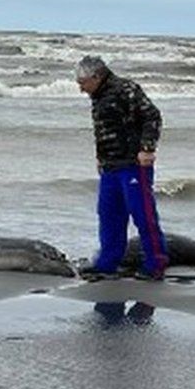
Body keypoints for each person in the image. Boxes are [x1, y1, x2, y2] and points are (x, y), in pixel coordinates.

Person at [76, 56, 169, 281]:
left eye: (83, 82)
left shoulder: (125, 89)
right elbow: (104, 131)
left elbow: (152, 116)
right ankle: (107, 263)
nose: (81, 88)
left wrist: (147, 149)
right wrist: (101, 158)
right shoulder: (97, 96)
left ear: (97, 77)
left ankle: (155, 263)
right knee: (109, 215)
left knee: (143, 215)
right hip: (110, 166)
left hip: (133, 165)